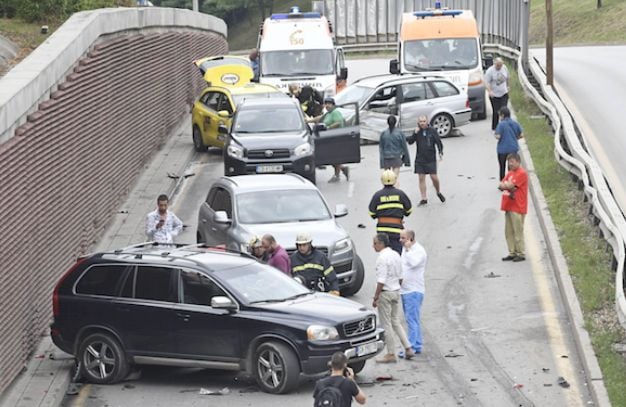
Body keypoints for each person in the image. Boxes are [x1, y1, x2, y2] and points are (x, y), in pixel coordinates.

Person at [371, 233, 415, 363]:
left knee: (386, 324)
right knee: (395, 321)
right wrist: (396, 287)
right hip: (396, 291)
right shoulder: (396, 255)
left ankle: (390, 353)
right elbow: (401, 277)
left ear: (380, 244)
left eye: (374, 243)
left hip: (386, 292)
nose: (373, 246)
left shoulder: (382, 258)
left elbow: (381, 280)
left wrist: (376, 296)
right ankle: (408, 347)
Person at [368, 170, 412, 255]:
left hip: (382, 231)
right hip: (396, 230)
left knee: (384, 254)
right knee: (398, 254)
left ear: (382, 181)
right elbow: (409, 210)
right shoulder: (400, 194)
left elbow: (371, 213)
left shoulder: (377, 195)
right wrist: (399, 214)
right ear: (395, 180)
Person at [406, 115, 445, 206]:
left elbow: (439, 142)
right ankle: (424, 198)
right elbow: (410, 142)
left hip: (430, 158)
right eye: (421, 121)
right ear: (418, 123)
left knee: (434, 177)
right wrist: (415, 133)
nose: (422, 123)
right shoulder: (417, 132)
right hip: (420, 159)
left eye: (424, 121)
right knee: (421, 178)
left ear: (427, 122)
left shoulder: (432, 131)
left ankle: (438, 192)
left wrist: (440, 152)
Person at [309, 97, 350, 183]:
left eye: (329, 104)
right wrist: (309, 120)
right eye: (325, 104)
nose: (327, 105)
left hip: (336, 137)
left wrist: (328, 127)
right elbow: (320, 118)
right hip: (329, 138)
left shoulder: (335, 113)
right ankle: (343, 169)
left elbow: (338, 122)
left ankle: (337, 175)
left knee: (335, 157)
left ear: (333, 105)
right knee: (330, 157)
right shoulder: (328, 114)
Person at [399, 229, 426, 354]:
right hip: (405, 290)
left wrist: (409, 250)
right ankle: (417, 344)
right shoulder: (405, 249)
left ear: (411, 239)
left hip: (414, 290)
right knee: (412, 319)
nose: (400, 240)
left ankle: (412, 346)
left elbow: (414, 263)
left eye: (403, 238)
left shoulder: (418, 251)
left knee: (411, 320)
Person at [499, 153, 528, 262]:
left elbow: (511, 186)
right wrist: (506, 185)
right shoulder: (510, 173)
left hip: (518, 206)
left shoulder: (521, 173)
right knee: (508, 231)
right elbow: (501, 184)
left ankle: (520, 252)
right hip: (508, 205)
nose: (510, 164)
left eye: (512, 162)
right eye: (509, 162)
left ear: (518, 162)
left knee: (518, 230)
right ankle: (512, 251)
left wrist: (506, 185)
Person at [495, 106, 523, 181]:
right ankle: (512, 181)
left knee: (502, 167)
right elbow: (521, 135)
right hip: (513, 148)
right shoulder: (515, 123)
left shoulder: (501, 124)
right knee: (511, 167)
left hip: (502, 150)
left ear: (503, 115)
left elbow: (498, 136)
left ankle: (503, 182)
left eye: (500, 115)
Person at [379, 115, 411, 182]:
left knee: (387, 179)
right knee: (395, 178)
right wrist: (407, 161)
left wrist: (381, 162)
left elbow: (381, 148)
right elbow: (404, 147)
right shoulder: (400, 133)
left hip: (386, 158)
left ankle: (387, 191)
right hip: (396, 157)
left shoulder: (383, 133)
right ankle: (395, 191)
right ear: (395, 122)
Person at [485, 57, 510, 131]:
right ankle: (495, 127)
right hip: (494, 95)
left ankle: (505, 126)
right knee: (496, 112)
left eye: (500, 65)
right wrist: (490, 91)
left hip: (503, 93)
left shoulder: (504, 68)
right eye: (498, 65)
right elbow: (487, 83)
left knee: (504, 110)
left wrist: (508, 86)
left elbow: (508, 77)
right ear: (494, 64)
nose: (499, 67)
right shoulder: (490, 71)